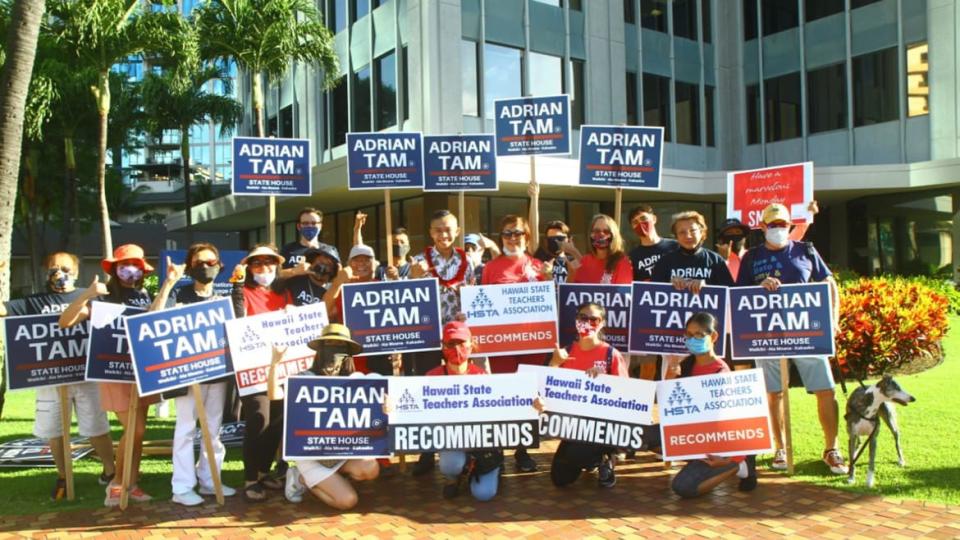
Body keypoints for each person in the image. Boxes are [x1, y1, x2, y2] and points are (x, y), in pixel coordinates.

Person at [735, 203, 845, 475]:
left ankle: (832, 448)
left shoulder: (806, 250)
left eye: (783, 225)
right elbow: (738, 295)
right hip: (767, 334)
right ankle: (780, 447)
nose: (778, 230)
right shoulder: (751, 257)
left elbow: (829, 284)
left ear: (790, 226)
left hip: (806, 331)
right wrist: (759, 287)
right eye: (773, 225)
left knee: (825, 390)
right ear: (762, 228)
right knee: (774, 393)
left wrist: (833, 320)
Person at [0, 252, 116, 501]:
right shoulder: (33, 301)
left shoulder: (93, 297)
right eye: (53, 268)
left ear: (76, 271)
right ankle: (63, 475)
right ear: (45, 271)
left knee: (97, 428)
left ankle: (110, 471)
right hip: (50, 379)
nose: (59, 273)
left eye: (65, 268)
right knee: (54, 431)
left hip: (86, 377)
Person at [59, 244, 156, 506]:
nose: (131, 270)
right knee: (133, 430)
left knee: (139, 432)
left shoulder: (144, 295)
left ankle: (131, 482)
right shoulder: (101, 298)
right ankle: (116, 484)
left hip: (143, 371)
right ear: (114, 268)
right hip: (113, 370)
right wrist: (86, 295)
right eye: (125, 265)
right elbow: (65, 322)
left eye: (136, 265)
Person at [151, 243, 235, 506]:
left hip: (217, 375)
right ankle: (182, 487)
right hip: (186, 376)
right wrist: (168, 282)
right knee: (185, 429)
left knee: (213, 430)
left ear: (220, 266)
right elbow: (153, 318)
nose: (206, 267)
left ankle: (211, 481)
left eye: (211, 262)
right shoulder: (180, 294)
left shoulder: (224, 299)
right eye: (200, 263)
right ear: (190, 266)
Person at [390, 321, 503, 501]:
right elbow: (415, 408)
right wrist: (393, 407)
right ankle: (454, 477)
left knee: (484, 494)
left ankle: (490, 467)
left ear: (471, 345)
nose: (456, 348)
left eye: (461, 343)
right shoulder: (432, 377)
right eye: (451, 344)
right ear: (443, 347)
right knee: (449, 464)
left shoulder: (482, 377)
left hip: (481, 445)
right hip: (452, 442)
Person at [408, 210, 479, 475]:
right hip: (426, 336)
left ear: (457, 231)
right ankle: (426, 452)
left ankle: (466, 442)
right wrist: (413, 277)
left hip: (456, 340)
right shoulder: (417, 261)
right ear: (430, 233)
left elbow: (474, 294)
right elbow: (403, 298)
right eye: (438, 229)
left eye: (448, 229)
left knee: (459, 389)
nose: (443, 234)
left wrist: (467, 312)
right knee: (428, 390)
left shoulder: (468, 261)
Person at [481, 214, 552, 472]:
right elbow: (483, 305)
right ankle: (499, 449)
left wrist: (550, 280)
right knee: (505, 394)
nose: (512, 238)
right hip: (502, 345)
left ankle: (522, 450)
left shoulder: (538, 266)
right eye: (507, 233)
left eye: (518, 233)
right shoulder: (491, 268)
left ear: (527, 235)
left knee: (529, 395)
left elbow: (550, 305)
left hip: (534, 343)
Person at [283, 324, 380, 509]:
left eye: (340, 346)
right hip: (312, 456)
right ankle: (301, 478)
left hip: (342, 453)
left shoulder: (356, 380)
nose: (333, 352)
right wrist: (274, 364)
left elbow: (383, 400)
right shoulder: (304, 379)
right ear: (320, 350)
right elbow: (275, 397)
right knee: (347, 501)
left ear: (348, 353)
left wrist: (387, 405)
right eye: (329, 344)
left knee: (371, 468)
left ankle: (332, 478)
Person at [663, 312, 758, 498]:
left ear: (713, 337)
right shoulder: (685, 365)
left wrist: (730, 458)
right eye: (689, 335)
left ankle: (739, 465)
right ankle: (696, 461)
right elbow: (670, 409)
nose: (692, 340)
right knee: (645, 435)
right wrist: (669, 378)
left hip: (717, 445)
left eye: (698, 335)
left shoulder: (721, 373)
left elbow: (733, 422)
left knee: (682, 487)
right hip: (692, 438)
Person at [230, 244, 294, 502]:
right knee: (258, 419)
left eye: (269, 263)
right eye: (257, 264)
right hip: (253, 367)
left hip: (282, 367)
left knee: (277, 422)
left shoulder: (284, 292)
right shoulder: (242, 292)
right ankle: (250, 478)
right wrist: (236, 283)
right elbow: (236, 318)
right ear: (249, 267)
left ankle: (264, 471)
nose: (264, 268)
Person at [547, 302, 628, 488]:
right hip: (574, 425)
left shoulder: (611, 354)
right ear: (576, 320)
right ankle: (589, 457)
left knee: (580, 454)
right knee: (560, 478)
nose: (588, 323)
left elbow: (626, 395)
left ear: (602, 323)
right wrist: (554, 363)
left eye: (594, 319)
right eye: (583, 317)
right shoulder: (564, 353)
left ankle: (605, 458)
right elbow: (547, 389)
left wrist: (604, 382)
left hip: (603, 425)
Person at [568, 214, 632, 284]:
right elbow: (573, 289)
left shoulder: (622, 262)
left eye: (606, 231)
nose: (601, 234)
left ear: (614, 235)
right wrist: (571, 273)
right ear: (590, 234)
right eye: (596, 231)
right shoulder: (585, 260)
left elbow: (622, 293)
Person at [279, 207, 337, 279]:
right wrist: (294, 271)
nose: (310, 226)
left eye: (314, 223)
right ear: (299, 226)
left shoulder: (330, 250)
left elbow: (338, 276)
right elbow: (276, 275)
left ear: (320, 226)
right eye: (305, 223)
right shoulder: (287, 249)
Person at [353, 211, 412, 281]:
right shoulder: (379, 268)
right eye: (395, 242)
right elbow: (359, 251)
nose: (399, 245)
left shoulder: (412, 269)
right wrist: (357, 229)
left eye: (402, 242)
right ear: (388, 246)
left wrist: (396, 279)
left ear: (408, 245)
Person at [627, 205, 678, 282]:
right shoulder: (632, 256)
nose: (640, 224)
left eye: (643, 218)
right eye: (635, 222)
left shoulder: (675, 246)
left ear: (654, 219)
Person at [533, 220, 580, 286]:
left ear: (568, 239)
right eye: (551, 239)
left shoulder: (574, 260)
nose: (556, 242)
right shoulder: (538, 261)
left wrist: (573, 251)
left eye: (560, 238)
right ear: (546, 241)